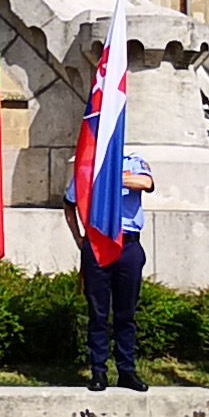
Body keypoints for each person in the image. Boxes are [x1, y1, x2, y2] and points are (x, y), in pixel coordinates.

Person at [71, 140, 154, 392]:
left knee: (125, 313)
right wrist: (79, 237)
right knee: (98, 313)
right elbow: (69, 201)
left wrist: (112, 177)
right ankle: (98, 371)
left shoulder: (133, 161)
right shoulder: (88, 167)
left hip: (128, 244)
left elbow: (146, 183)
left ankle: (126, 370)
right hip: (98, 243)